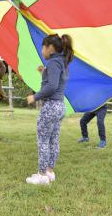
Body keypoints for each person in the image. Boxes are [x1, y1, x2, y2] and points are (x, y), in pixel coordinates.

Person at [26, 34, 73, 185]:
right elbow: (56, 81)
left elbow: (52, 86)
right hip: (59, 106)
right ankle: (50, 172)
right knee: (53, 140)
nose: (42, 51)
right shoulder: (62, 62)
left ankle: (41, 176)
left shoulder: (53, 62)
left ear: (50, 48)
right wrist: (44, 72)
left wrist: (36, 96)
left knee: (43, 140)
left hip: (50, 106)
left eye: (43, 47)